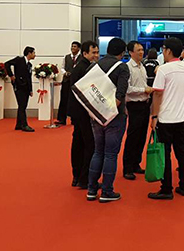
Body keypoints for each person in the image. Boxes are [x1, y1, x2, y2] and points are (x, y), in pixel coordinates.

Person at [87, 38, 130, 203]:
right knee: (110, 154)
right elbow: (120, 94)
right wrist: (110, 111)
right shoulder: (122, 67)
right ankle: (107, 191)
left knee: (98, 151)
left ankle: (91, 190)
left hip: (96, 115)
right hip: (114, 116)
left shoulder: (94, 66)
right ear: (122, 52)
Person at [148, 38, 184, 200]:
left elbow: (157, 94)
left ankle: (166, 188)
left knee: (164, 154)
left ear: (168, 51)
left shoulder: (164, 70)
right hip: (181, 117)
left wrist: (154, 116)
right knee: (182, 152)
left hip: (165, 118)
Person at [68, 40, 99, 189]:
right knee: (89, 145)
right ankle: (84, 178)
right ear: (85, 53)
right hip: (83, 112)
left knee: (78, 143)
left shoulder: (80, 66)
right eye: (93, 52)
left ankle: (77, 176)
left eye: (97, 52)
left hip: (77, 111)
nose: (96, 55)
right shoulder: (86, 68)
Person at [122, 41, 153, 180]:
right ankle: (127, 167)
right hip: (134, 105)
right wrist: (144, 90)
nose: (141, 52)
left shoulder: (142, 66)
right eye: (138, 50)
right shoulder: (128, 67)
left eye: (142, 49)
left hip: (145, 104)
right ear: (130, 52)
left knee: (141, 137)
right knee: (133, 137)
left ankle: (136, 163)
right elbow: (127, 89)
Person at [5, 47, 36, 132]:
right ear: (29, 53)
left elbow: (29, 78)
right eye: (33, 53)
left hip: (26, 88)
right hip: (18, 86)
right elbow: (7, 64)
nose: (35, 55)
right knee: (22, 106)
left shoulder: (29, 65)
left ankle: (19, 124)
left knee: (22, 106)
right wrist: (11, 75)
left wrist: (30, 90)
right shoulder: (19, 60)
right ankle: (24, 125)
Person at [56, 41, 81, 126]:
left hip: (76, 82)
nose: (73, 48)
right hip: (66, 81)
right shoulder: (66, 57)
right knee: (64, 99)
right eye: (72, 46)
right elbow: (62, 67)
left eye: (75, 46)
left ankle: (74, 119)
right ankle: (61, 119)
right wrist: (65, 73)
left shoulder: (81, 58)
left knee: (75, 101)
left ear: (78, 48)